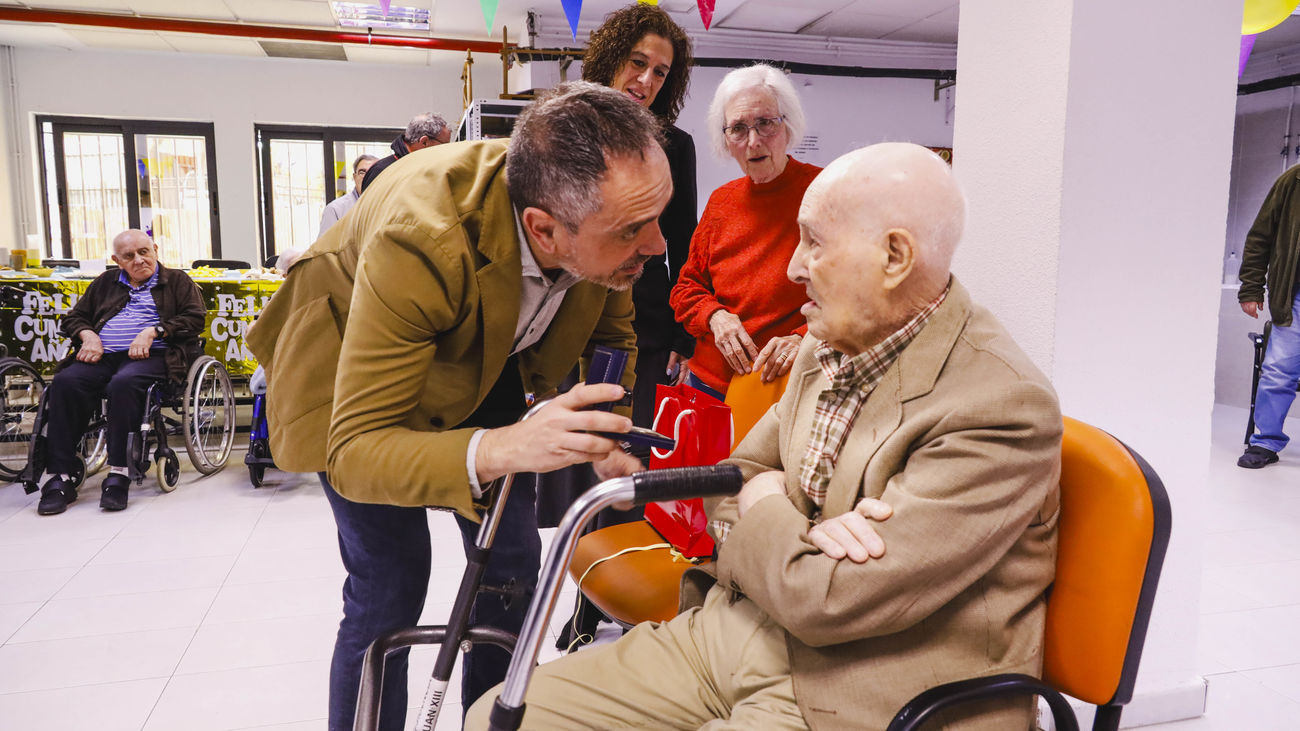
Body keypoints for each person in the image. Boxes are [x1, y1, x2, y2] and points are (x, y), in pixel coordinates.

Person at [466, 143, 1062, 730]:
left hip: (861, 687)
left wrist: (768, 501)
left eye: (815, 243)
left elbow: (827, 598)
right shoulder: (825, 344)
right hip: (737, 628)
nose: (794, 267)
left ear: (895, 256)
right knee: (496, 717)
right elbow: (734, 482)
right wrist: (782, 519)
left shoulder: (999, 405)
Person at [246, 83, 668, 731]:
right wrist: (499, 448)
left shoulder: (599, 224)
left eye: (656, 216)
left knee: (512, 567)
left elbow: (612, 335)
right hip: (349, 368)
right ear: (544, 230)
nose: (657, 243)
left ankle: (484, 720)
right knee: (390, 583)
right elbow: (358, 451)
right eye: (635, 229)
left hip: (481, 351)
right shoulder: (425, 236)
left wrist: (603, 426)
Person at [670, 63, 818, 400]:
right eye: (737, 128)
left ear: (788, 126)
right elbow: (686, 287)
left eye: (765, 123)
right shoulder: (721, 202)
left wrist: (803, 336)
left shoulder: (824, 192)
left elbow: (855, 296)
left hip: (781, 391)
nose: (753, 142)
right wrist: (715, 316)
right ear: (725, 138)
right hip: (706, 385)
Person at [35, 229, 205, 516]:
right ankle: (60, 476)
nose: (139, 260)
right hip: (103, 356)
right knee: (65, 382)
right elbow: (75, 317)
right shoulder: (105, 283)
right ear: (116, 260)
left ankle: (119, 472)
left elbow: (194, 318)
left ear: (155, 250)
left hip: (156, 356)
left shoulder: (176, 281)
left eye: (144, 252)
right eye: (129, 256)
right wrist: (88, 336)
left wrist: (154, 331)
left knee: (124, 383)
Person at [583, 3, 698, 425]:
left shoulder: (674, 146)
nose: (646, 80)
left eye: (661, 72)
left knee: (630, 446)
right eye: (638, 62)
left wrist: (684, 335)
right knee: (566, 457)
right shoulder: (569, 130)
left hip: (643, 324)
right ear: (612, 58)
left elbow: (686, 242)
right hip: (566, 315)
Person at [1238, 163, 1300, 469]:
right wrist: (1251, 287)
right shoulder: (1293, 180)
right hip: (1295, 297)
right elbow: (1260, 236)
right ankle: (1265, 442)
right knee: (1278, 371)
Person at [359, 112, 451, 193]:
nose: (445, 152)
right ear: (424, 142)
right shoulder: (382, 171)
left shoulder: (419, 167)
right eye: (444, 145)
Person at [319, 154, 377, 234]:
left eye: (373, 172)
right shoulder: (335, 210)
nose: (367, 176)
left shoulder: (389, 206)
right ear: (354, 177)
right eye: (362, 172)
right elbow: (325, 246)